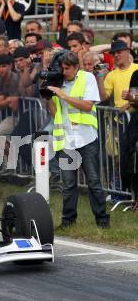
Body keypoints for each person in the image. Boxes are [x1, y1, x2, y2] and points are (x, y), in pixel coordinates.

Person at [47, 51, 109, 228]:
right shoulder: (57, 82)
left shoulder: (87, 78)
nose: (64, 71)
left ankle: (102, 220)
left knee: (94, 182)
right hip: (66, 141)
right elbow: (53, 112)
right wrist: (48, 97)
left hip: (86, 139)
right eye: (62, 68)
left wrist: (63, 95)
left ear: (76, 67)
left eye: (67, 68)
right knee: (68, 184)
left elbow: (88, 106)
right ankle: (68, 221)